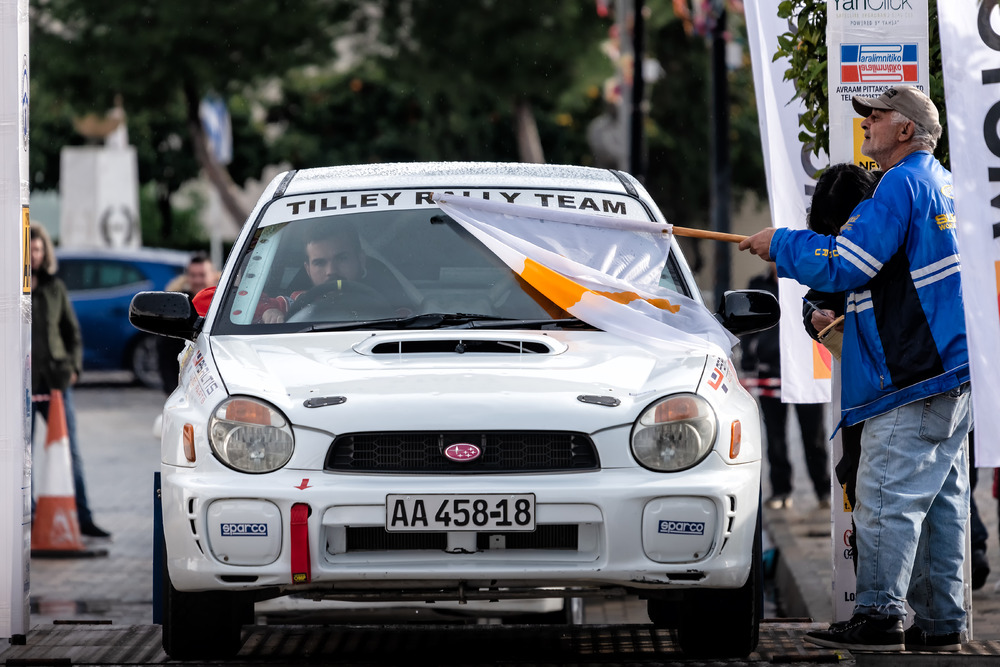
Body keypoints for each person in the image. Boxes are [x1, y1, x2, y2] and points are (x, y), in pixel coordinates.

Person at [739, 85, 971, 653]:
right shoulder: (940, 183)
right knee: (940, 504)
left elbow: (849, 262)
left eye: (878, 114)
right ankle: (943, 622)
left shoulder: (902, 184)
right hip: (947, 372)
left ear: (908, 130)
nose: (866, 122)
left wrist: (783, 244)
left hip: (910, 377)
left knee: (887, 497)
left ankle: (879, 614)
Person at [29, 224, 111, 539]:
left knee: (70, 451)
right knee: (24, 455)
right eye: (29, 250)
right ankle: (30, 516)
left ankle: (84, 516)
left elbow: (72, 334)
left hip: (56, 381)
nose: (34, 256)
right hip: (23, 384)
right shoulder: (13, 286)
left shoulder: (55, 288)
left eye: (38, 250)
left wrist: (74, 367)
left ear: (44, 252)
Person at [740, 263, 830, 511]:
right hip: (770, 370)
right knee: (775, 437)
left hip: (805, 372)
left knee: (814, 436)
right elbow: (748, 327)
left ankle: (823, 490)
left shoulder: (808, 281)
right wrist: (749, 360)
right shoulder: (758, 285)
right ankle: (780, 491)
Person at [257, 224, 414, 323]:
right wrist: (269, 311)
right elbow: (247, 307)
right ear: (308, 269)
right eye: (320, 263)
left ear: (361, 260)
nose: (331, 271)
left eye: (342, 259)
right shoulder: (295, 302)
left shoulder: (389, 303)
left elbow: (414, 321)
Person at [157, 253, 218, 394]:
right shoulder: (177, 305)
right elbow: (165, 356)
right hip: (187, 387)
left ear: (214, 275)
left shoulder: (228, 302)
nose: (197, 280)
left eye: (202, 275)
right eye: (193, 275)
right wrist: (172, 391)